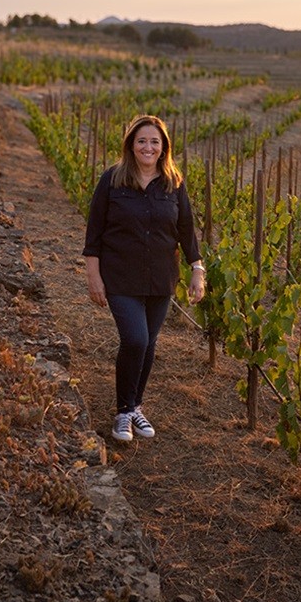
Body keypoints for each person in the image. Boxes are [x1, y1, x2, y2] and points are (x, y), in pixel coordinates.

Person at [83, 114, 206, 443]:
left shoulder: (173, 184)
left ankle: (135, 405)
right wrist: (93, 276)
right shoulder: (112, 180)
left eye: (154, 141)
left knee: (148, 344)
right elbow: (93, 233)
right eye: (141, 140)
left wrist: (197, 270)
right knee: (135, 339)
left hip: (161, 278)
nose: (148, 146)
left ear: (164, 146)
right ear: (130, 145)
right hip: (120, 277)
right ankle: (123, 411)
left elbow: (186, 232)